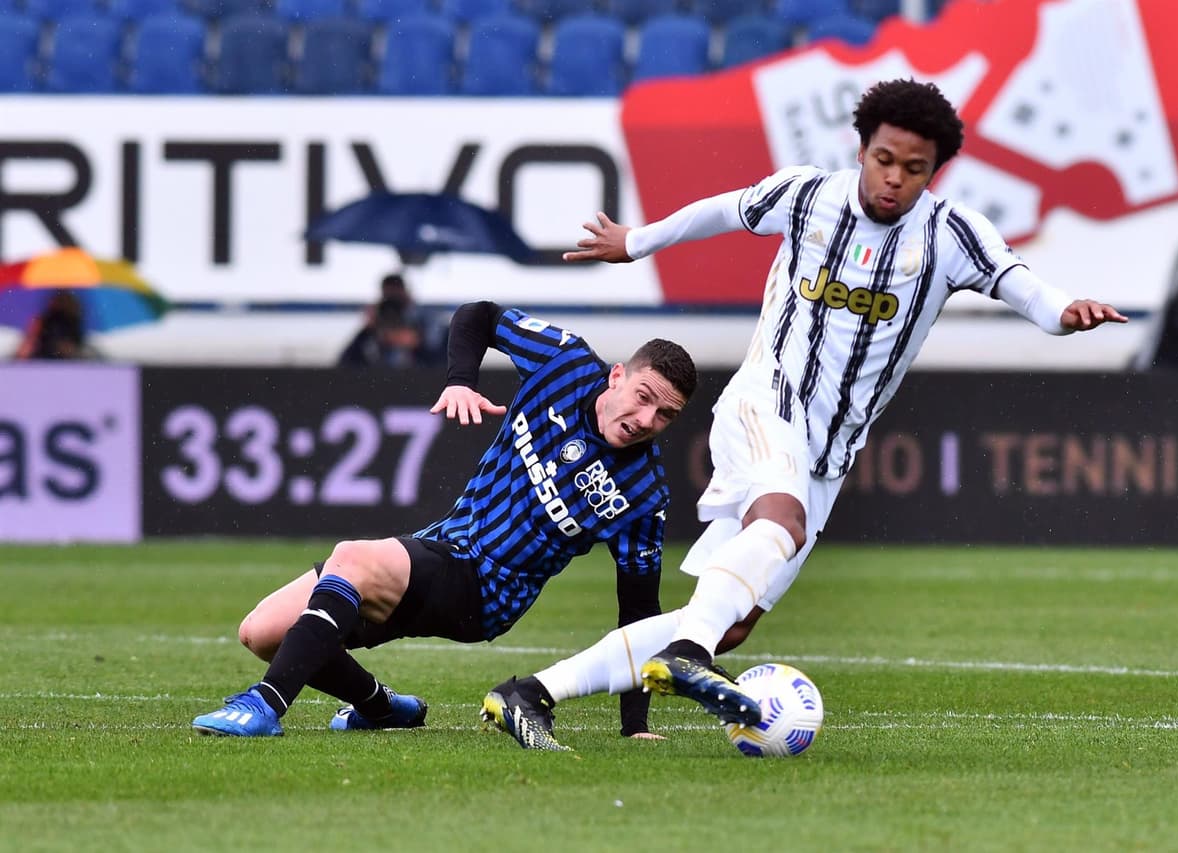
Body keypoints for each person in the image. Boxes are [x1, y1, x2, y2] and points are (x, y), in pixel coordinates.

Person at [483, 78, 1128, 751]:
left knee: (725, 619)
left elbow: (1021, 284)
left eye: (915, 169)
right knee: (773, 530)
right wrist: (636, 242)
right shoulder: (807, 196)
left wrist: (1063, 313)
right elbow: (724, 210)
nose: (895, 179)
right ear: (862, 149)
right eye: (885, 159)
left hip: (828, 455)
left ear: (934, 171)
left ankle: (531, 692)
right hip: (766, 401)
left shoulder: (950, 233)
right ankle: (685, 655)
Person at [192, 300, 696, 745]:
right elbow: (478, 316)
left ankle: (264, 705)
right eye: (644, 396)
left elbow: (639, 612)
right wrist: (460, 379)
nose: (647, 419)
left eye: (665, 415)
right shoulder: (564, 363)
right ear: (616, 376)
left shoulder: (644, 494)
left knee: (351, 556)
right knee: (261, 633)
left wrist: (634, 723)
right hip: (443, 545)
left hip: (488, 593)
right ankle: (381, 707)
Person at [337, 272, 450, 367]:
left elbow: (442, 362)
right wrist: (367, 331)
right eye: (388, 297)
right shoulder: (375, 327)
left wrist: (417, 344)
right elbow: (345, 363)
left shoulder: (428, 320)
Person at [15, 290, 95, 360]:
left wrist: (71, 348)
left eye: (67, 299)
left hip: (66, 358)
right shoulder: (48, 320)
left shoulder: (74, 321)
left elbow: (78, 340)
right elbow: (42, 341)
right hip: (47, 357)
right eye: (62, 299)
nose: (64, 302)